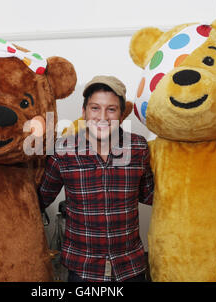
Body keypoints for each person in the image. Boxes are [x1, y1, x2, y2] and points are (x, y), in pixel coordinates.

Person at [38, 75, 154, 282]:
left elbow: (150, 195)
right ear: (83, 112)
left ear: (121, 114)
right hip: (83, 268)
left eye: (111, 109)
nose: (103, 116)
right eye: (95, 108)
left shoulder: (138, 147)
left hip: (130, 267)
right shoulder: (62, 151)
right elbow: (39, 200)